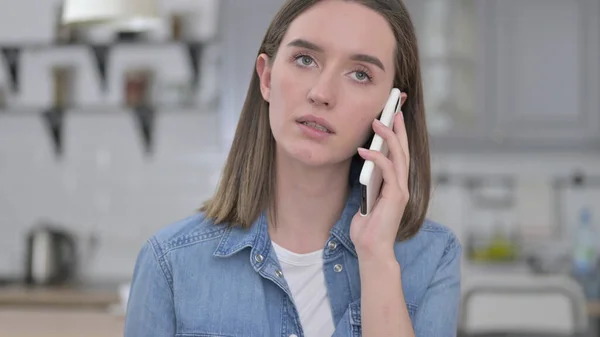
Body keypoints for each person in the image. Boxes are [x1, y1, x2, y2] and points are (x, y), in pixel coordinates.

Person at [124, 0, 462, 336]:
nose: (322, 93)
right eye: (305, 59)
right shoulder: (169, 262)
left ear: (391, 109)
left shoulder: (432, 258)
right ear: (267, 77)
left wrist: (376, 258)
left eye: (360, 74)